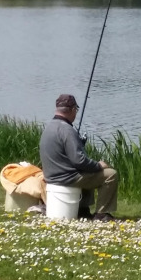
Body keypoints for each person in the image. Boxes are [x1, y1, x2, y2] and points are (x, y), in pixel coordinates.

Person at [39, 94, 119, 222]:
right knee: (110, 174)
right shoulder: (67, 130)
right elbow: (79, 161)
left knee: (89, 172)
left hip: (51, 176)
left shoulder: (49, 128)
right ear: (72, 110)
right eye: (76, 110)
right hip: (66, 178)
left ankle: (82, 210)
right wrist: (98, 165)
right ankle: (102, 214)